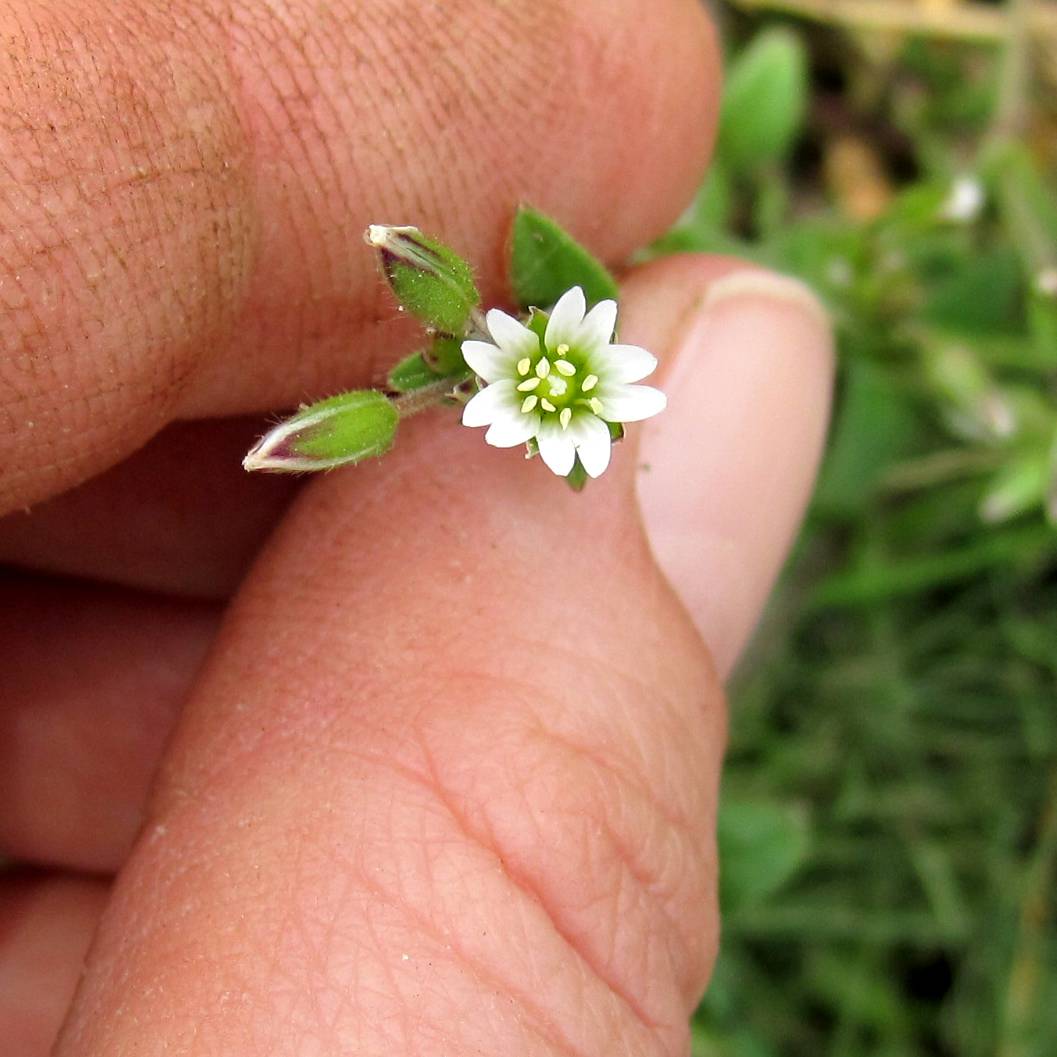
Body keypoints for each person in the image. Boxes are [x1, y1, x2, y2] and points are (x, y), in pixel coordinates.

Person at [0, 1, 833, 1053]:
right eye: (543, 382)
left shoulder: (556, 359)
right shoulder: (501, 365)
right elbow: (508, 369)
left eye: (558, 382)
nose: (553, 376)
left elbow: (548, 366)